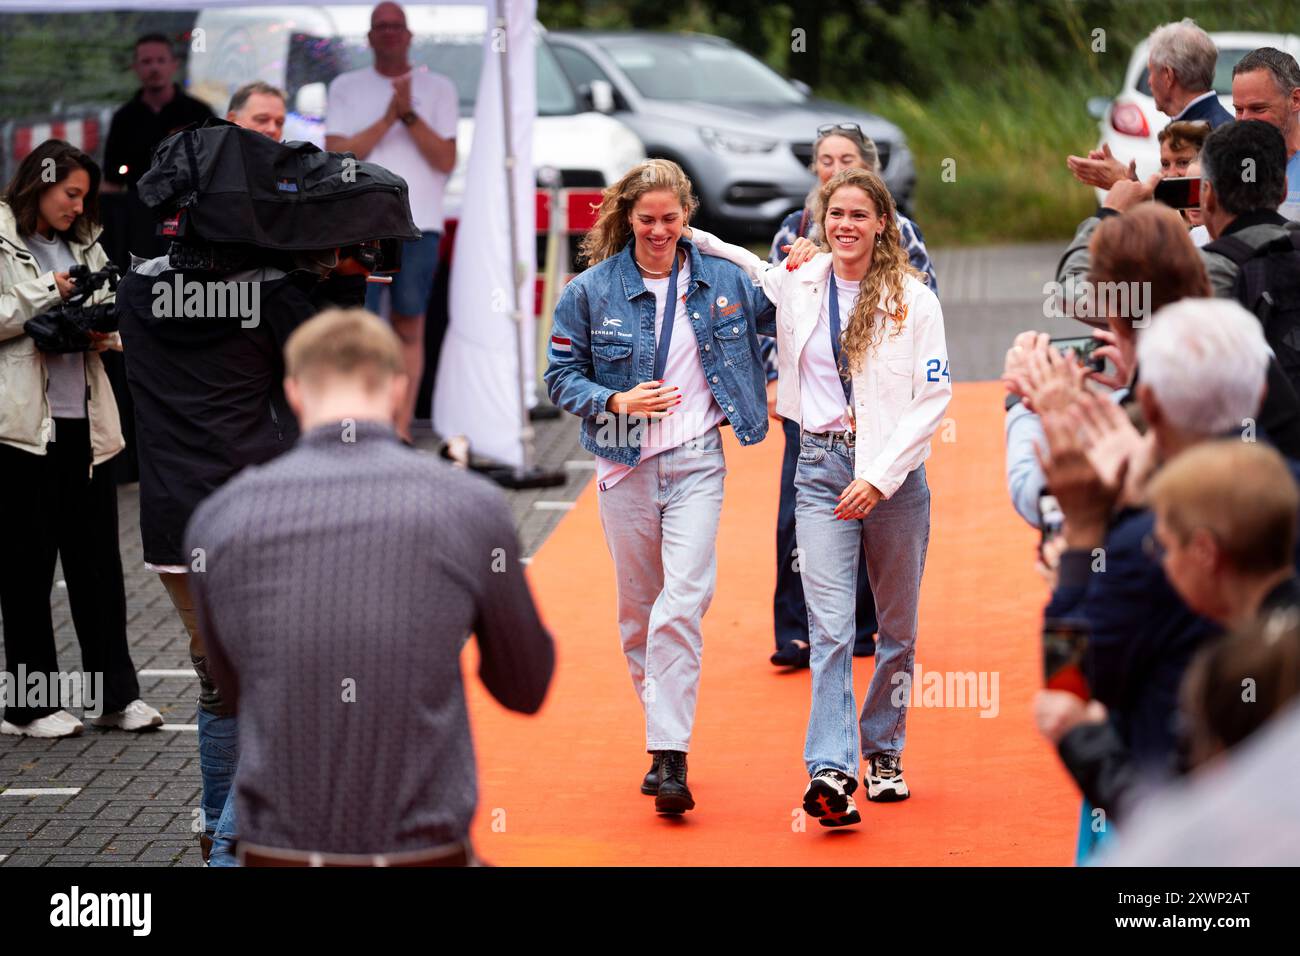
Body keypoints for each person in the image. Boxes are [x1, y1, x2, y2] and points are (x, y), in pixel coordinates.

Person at [184, 308, 553, 866]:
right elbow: (524, 686)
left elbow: (233, 693)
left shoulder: (223, 517)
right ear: (400, 386)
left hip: (276, 850)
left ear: (294, 392)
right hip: (424, 851)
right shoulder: (468, 504)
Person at [114, 168, 369, 863]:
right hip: (252, 517)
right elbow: (331, 364)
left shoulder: (136, 291)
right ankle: (231, 847)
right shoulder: (274, 295)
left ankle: (210, 822)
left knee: (221, 683)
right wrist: (336, 272)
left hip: (170, 525)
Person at [692, 166, 951, 825]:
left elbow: (933, 400)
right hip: (819, 470)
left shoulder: (913, 300)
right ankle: (832, 771)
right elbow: (749, 266)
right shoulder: (802, 282)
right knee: (830, 628)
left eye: (860, 215)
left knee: (896, 630)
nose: (845, 226)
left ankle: (884, 752)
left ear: (882, 225)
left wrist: (881, 476)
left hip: (892, 481)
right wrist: (681, 229)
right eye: (836, 214)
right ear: (822, 221)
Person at [544, 158, 776, 815]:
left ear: (688, 216)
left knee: (684, 600)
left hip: (699, 459)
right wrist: (616, 400)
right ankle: (662, 736)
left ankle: (670, 756)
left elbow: (791, 309)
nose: (658, 231)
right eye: (646, 220)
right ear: (627, 217)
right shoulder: (590, 291)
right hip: (624, 465)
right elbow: (559, 375)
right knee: (638, 617)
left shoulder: (724, 280)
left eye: (671, 219)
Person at [1037, 438, 1300, 823]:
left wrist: (1080, 537)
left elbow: (1065, 686)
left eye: (1163, 548)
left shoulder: (1243, 675)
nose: (1161, 564)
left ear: (1205, 552)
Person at [0, 140, 162, 737]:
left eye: (84, 196)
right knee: (26, 572)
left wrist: (102, 329)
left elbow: (105, 310)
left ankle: (114, 698)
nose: (78, 206)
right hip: (19, 433)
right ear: (38, 183)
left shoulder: (84, 242)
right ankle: (28, 707)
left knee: (97, 568)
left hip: (86, 427)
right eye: (70, 193)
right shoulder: (0, 235)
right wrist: (52, 295)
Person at [766, 123, 936, 668]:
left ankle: (866, 627)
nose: (834, 167)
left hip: (878, 402)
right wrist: (774, 378)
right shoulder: (792, 232)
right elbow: (772, 313)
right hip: (813, 409)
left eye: (845, 158)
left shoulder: (900, 232)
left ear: (867, 166)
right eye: (824, 159)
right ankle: (797, 631)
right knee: (798, 516)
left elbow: (924, 298)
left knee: (873, 505)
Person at [325, 1, 458, 442]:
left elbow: (444, 159)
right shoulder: (347, 86)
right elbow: (338, 156)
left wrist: (409, 115)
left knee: (408, 322)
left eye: (395, 26)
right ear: (369, 37)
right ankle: (366, 424)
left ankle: (399, 429)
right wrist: (388, 117)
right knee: (361, 325)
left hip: (420, 222)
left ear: (409, 35)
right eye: (380, 26)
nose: (388, 33)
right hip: (359, 224)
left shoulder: (437, 88)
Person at [1067, 18, 1230, 191]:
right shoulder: (1215, 124)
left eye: (1151, 71)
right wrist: (1130, 180)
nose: (1150, 82)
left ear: (1168, 75)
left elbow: (1193, 212)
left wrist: (1125, 184)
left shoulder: (1216, 135)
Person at [1231, 47, 1300, 220]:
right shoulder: (1237, 163)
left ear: (1295, 100)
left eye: (1258, 108)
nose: (1245, 119)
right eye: (1239, 110)